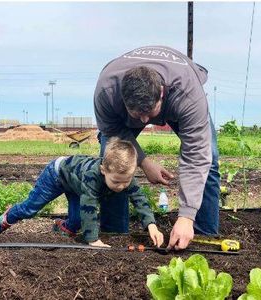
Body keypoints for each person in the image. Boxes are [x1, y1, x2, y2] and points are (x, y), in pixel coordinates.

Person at [94, 45, 220, 250]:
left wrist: (186, 215)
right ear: (122, 98)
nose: (144, 121)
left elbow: (196, 153)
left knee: (210, 159)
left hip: (181, 87)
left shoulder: (187, 94)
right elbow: (113, 132)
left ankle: (204, 234)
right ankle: (114, 234)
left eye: (150, 113)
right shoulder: (107, 91)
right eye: (137, 115)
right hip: (128, 104)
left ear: (161, 93)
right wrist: (143, 162)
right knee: (111, 159)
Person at [0, 137, 164, 248]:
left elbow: (140, 199)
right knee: (30, 208)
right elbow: (89, 208)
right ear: (103, 170)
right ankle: (4, 220)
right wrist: (93, 240)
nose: (121, 187)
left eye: (125, 181)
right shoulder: (92, 177)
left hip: (74, 184)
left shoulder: (125, 177)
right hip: (56, 175)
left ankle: (60, 226)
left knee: (76, 222)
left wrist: (151, 225)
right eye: (116, 182)